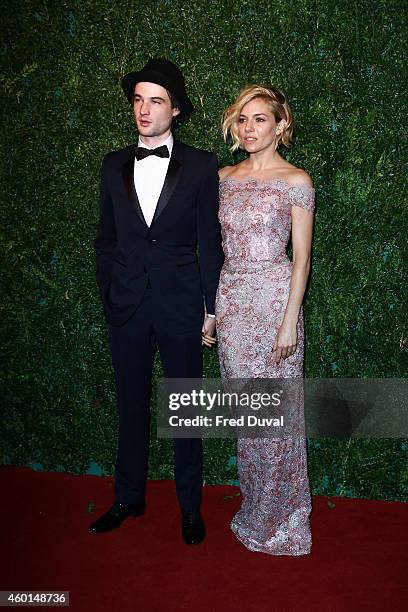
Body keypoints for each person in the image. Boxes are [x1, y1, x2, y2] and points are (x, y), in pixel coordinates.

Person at [90, 58, 224, 545]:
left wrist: (211, 309)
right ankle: (128, 497)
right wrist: (109, 289)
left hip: (181, 305)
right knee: (130, 406)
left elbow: (209, 242)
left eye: (155, 101)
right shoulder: (110, 163)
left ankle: (191, 507)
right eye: (138, 100)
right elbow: (104, 238)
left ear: (176, 110)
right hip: (125, 305)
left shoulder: (203, 165)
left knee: (186, 408)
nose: (143, 110)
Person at [215, 85, 314, 555]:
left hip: (275, 300)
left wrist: (289, 320)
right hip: (233, 300)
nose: (249, 128)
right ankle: (255, 509)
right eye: (242, 119)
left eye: (259, 119)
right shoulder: (222, 177)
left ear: (280, 126)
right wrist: (211, 312)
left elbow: (302, 260)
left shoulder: (296, 180)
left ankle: (285, 517)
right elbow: (206, 248)